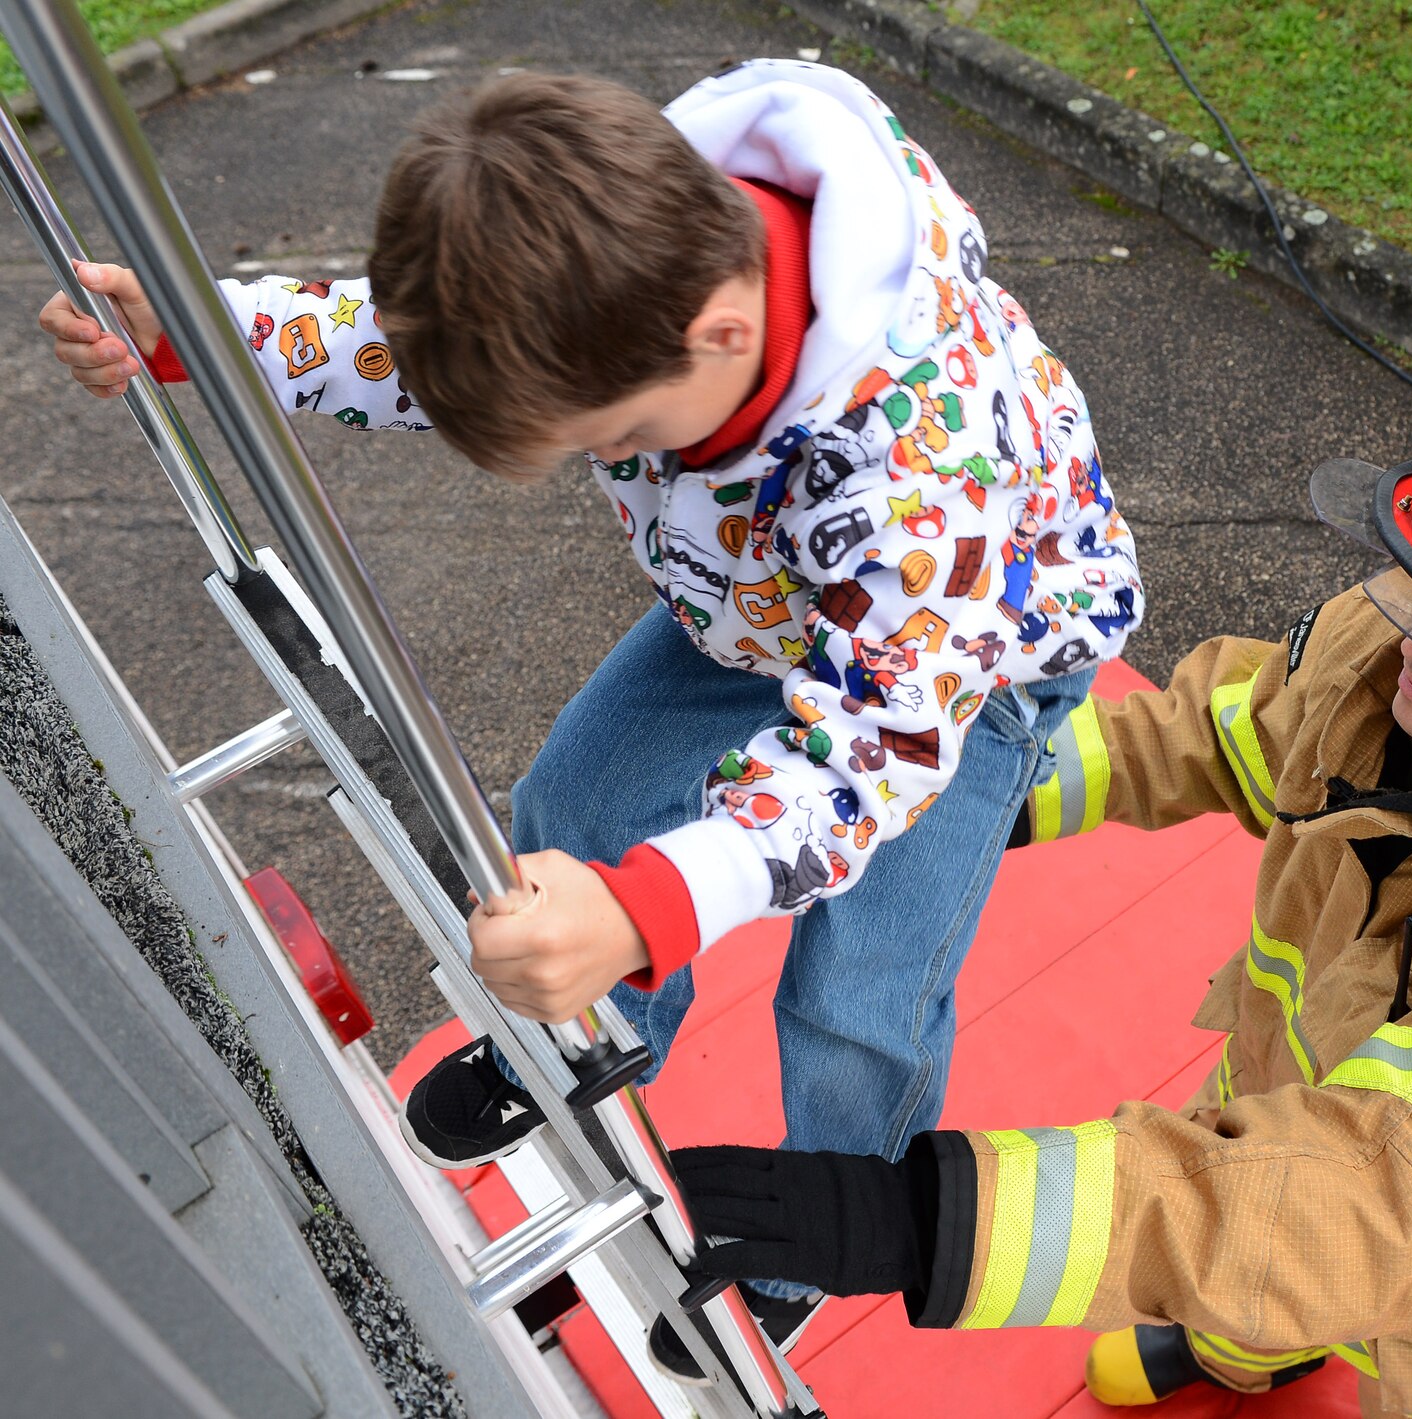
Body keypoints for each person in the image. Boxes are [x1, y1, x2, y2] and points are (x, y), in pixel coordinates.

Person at [39, 60, 1143, 1373]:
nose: (603, 457)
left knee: (866, 981)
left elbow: (875, 748)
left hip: (965, 655)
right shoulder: (625, 262)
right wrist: (196, 334)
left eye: (612, 436)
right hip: (755, 599)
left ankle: (824, 1215)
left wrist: (651, 907)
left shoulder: (915, 472)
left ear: (720, 337)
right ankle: (600, 1034)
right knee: (571, 808)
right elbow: (424, 348)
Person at [665, 364, 1412, 1416]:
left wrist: (921, 1221)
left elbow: (1377, 1197)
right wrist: (959, 805)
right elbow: (1207, 739)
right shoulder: (1401, 653)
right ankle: (1246, 1348)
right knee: (1243, 1270)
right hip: (1268, 1135)